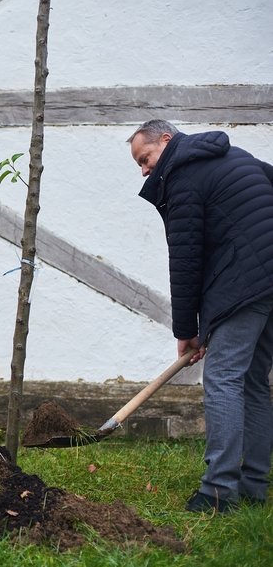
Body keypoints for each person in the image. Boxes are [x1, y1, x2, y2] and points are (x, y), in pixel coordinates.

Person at [128, 119, 273, 513]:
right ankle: (254, 487)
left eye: (146, 158)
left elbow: (186, 259)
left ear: (167, 140)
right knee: (254, 381)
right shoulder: (231, 156)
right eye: (139, 164)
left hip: (245, 283)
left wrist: (187, 330)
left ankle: (218, 492)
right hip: (266, 282)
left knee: (224, 378)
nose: (144, 169)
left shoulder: (183, 177)